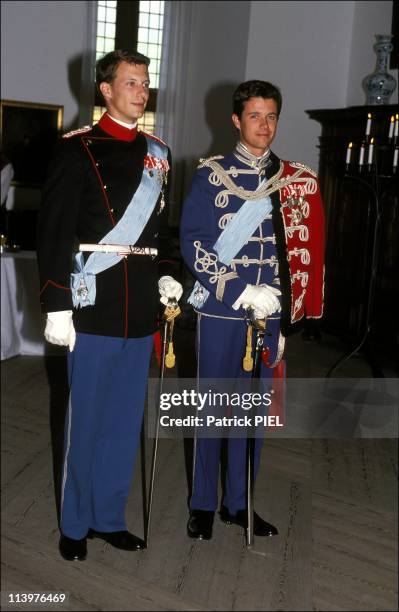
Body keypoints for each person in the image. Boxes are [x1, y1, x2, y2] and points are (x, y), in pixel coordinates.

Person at [37, 49, 182, 561]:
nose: (141, 91)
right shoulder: (76, 148)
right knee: (85, 420)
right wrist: (56, 303)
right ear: (106, 89)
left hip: (140, 307)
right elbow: (53, 231)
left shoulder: (158, 153)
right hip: (92, 303)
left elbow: (161, 233)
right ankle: (74, 524)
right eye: (131, 82)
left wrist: (168, 276)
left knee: (124, 422)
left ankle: (107, 517)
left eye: (145, 83)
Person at [179, 80, 325, 540]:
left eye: (272, 116)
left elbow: (299, 253)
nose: (265, 126)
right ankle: (202, 504)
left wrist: (284, 319)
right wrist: (240, 291)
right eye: (256, 116)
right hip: (223, 312)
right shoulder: (211, 174)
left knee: (252, 417)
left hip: (270, 318)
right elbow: (194, 242)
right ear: (237, 120)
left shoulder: (294, 180)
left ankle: (239, 504)